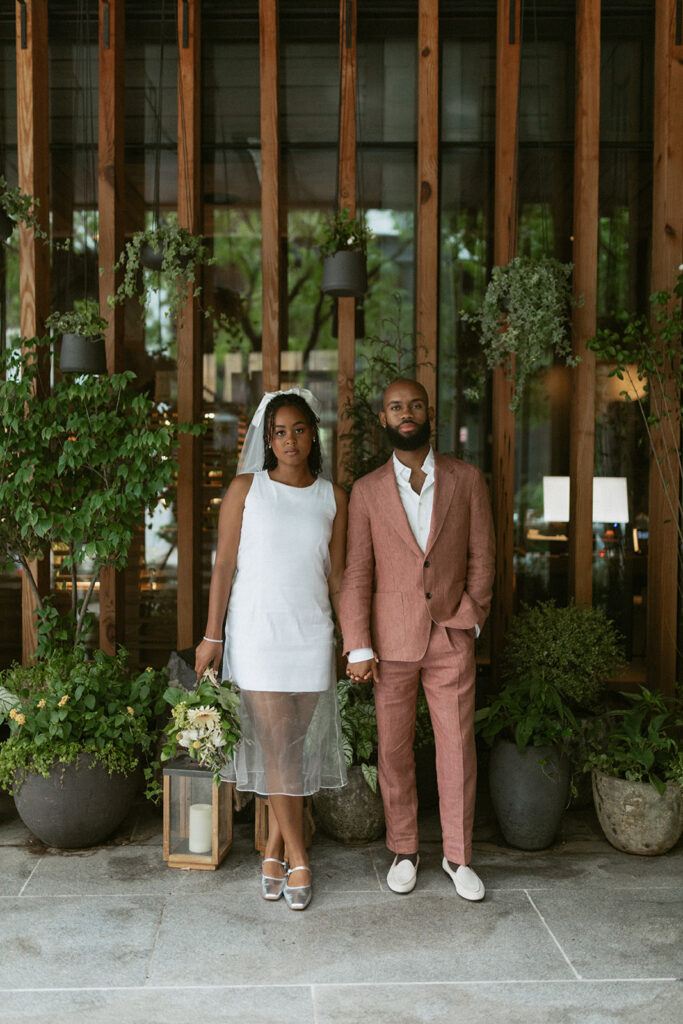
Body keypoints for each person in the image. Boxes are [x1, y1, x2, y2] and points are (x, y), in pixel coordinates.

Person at [339, 378, 495, 901]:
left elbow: (483, 557)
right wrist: (358, 644)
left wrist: (471, 618)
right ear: (383, 419)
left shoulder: (467, 480)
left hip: (450, 635)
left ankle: (458, 857)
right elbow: (357, 572)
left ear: (431, 412)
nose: (406, 413)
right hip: (391, 643)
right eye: (395, 407)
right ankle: (404, 850)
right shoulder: (366, 491)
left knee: (457, 750)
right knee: (394, 751)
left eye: (415, 405)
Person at [195, 388, 348, 911]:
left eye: (299, 429)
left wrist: (353, 637)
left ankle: (275, 848)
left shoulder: (333, 496)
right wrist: (212, 635)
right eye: (279, 431)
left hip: (311, 635)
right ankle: (301, 858)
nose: (290, 439)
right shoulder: (245, 489)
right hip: (257, 635)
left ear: (313, 434)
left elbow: (340, 575)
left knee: (292, 751)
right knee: (280, 746)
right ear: (267, 438)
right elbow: (223, 567)